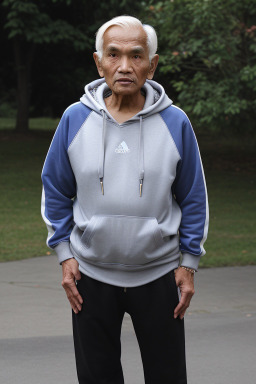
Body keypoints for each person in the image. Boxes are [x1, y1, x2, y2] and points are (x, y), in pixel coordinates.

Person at [41, 15, 209, 384]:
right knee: (96, 377)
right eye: (113, 55)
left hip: (159, 275)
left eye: (136, 55)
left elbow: (194, 197)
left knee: (168, 377)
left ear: (153, 64)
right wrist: (65, 255)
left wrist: (189, 263)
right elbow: (54, 188)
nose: (125, 66)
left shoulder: (175, 122)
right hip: (91, 275)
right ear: (98, 62)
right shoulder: (75, 118)